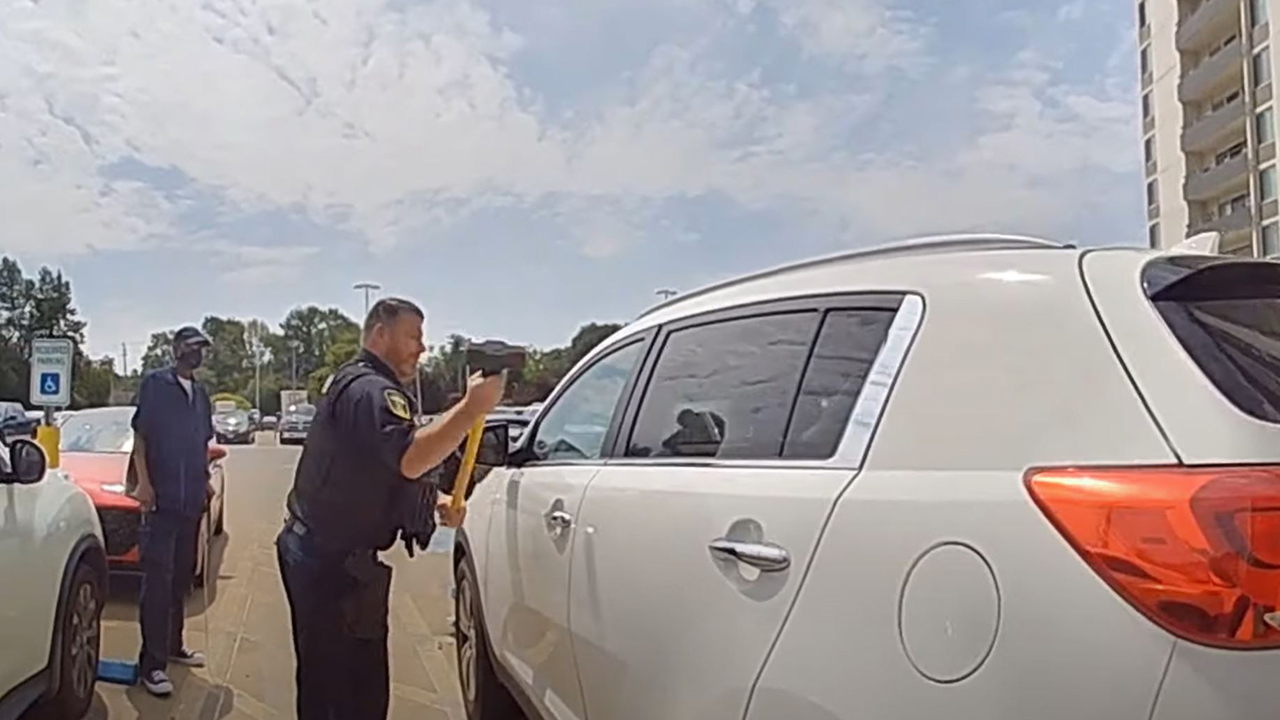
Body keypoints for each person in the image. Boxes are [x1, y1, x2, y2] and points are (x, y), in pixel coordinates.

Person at [277, 297, 505, 720]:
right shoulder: (369, 391)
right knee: (344, 696)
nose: (422, 348)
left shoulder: (362, 385)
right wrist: (473, 409)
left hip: (326, 556)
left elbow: (378, 470)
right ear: (380, 334)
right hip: (329, 564)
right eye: (413, 337)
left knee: (340, 688)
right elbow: (407, 458)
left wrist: (435, 501)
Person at [129, 326, 216, 697]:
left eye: (202, 348)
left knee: (181, 579)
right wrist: (144, 483)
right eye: (192, 346)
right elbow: (141, 437)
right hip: (161, 501)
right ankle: (152, 665)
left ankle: (174, 646)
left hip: (190, 501)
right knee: (158, 583)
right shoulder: (156, 385)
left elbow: (202, 444)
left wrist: (205, 480)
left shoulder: (201, 396)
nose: (197, 353)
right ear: (177, 349)